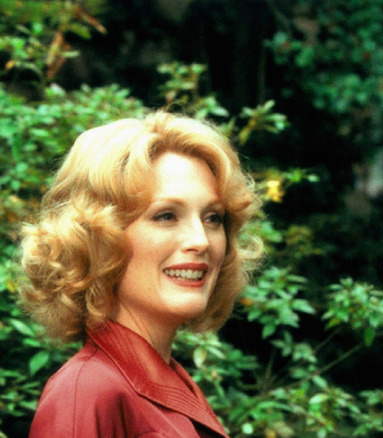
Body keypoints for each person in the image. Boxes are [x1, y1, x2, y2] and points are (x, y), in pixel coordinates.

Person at [20, 111, 261, 437]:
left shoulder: (170, 381)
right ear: (99, 239)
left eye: (213, 218)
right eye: (166, 216)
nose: (201, 241)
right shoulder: (86, 393)